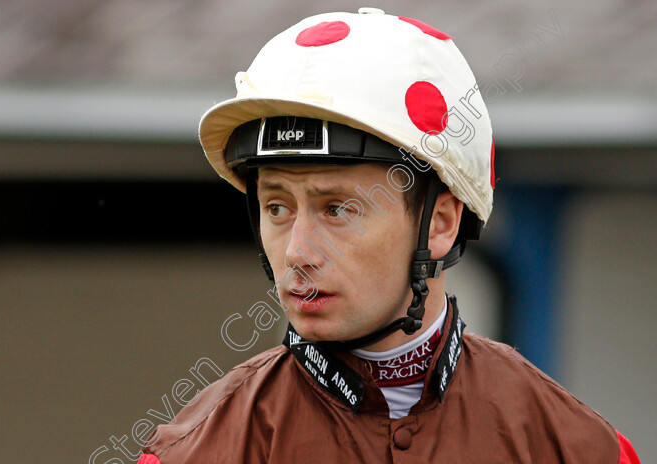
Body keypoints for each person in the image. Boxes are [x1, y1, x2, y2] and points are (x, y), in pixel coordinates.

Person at [137, 8, 640, 463]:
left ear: (441, 224)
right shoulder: (191, 453)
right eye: (277, 207)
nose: (297, 251)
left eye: (337, 209)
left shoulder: (579, 448)